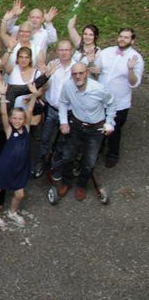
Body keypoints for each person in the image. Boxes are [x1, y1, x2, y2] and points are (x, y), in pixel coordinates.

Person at [56, 63, 116, 200]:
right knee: (67, 156)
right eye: (74, 74)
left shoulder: (100, 89)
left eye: (81, 73)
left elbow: (112, 104)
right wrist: (63, 121)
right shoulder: (68, 86)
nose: (78, 76)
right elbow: (63, 102)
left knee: (89, 161)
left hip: (95, 129)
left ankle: (81, 185)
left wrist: (109, 123)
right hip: (76, 125)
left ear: (87, 73)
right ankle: (66, 182)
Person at [0, 82, 38, 228]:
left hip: (20, 168)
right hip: (5, 166)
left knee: (19, 194)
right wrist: (3, 95)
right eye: (14, 118)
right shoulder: (9, 131)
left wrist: (34, 94)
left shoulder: (27, 129)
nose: (17, 121)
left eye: (20, 118)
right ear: (11, 119)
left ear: (24, 120)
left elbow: (29, 109)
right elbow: (3, 113)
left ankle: (12, 212)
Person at [93, 28, 144, 168]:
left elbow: (134, 83)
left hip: (119, 102)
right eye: (121, 36)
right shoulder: (107, 52)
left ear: (132, 40)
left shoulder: (136, 58)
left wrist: (130, 70)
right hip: (101, 99)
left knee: (114, 130)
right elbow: (96, 69)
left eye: (126, 37)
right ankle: (97, 148)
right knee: (98, 125)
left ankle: (112, 154)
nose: (122, 39)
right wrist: (94, 68)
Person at [33, 41, 76, 177]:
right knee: (45, 138)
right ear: (57, 51)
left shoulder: (76, 68)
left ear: (72, 51)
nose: (63, 52)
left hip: (68, 112)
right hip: (51, 109)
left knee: (63, 141)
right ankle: (41, 162)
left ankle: (56, 166)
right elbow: (45, 86)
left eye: (67, 50)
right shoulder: (53, 65)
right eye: (61, 49)